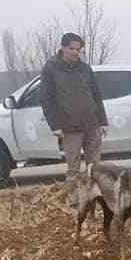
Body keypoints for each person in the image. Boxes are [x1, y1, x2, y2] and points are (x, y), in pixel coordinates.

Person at [38, 33, 108, 185]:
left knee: (95, 168)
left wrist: (103, 121)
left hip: (92, 124)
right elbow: (46, 99)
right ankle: (75, 202)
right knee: (73, 169)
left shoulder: (85, 68)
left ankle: (96, 198)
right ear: (62, 48)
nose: (76, 52)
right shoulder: (51, 69)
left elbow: (96, 95)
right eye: (72, 48)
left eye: (79, 49)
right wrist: (55, 126)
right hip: (70, 127)